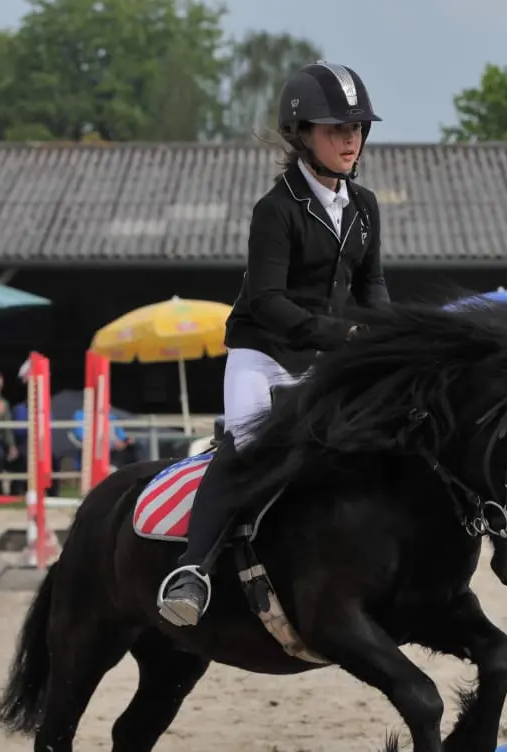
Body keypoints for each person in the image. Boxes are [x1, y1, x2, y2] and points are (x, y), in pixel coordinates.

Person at [157, 60, 389, 627]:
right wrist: (343, 334)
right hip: (262, 357)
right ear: (302, 134)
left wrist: (390, 335)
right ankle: (192, 570)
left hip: (323, 363)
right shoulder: (277, 209)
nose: (350, 139)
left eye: (356, 128)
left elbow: (372, 284)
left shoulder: (363, 208)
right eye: (337, 129)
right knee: (251, 446)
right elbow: (267, 301)